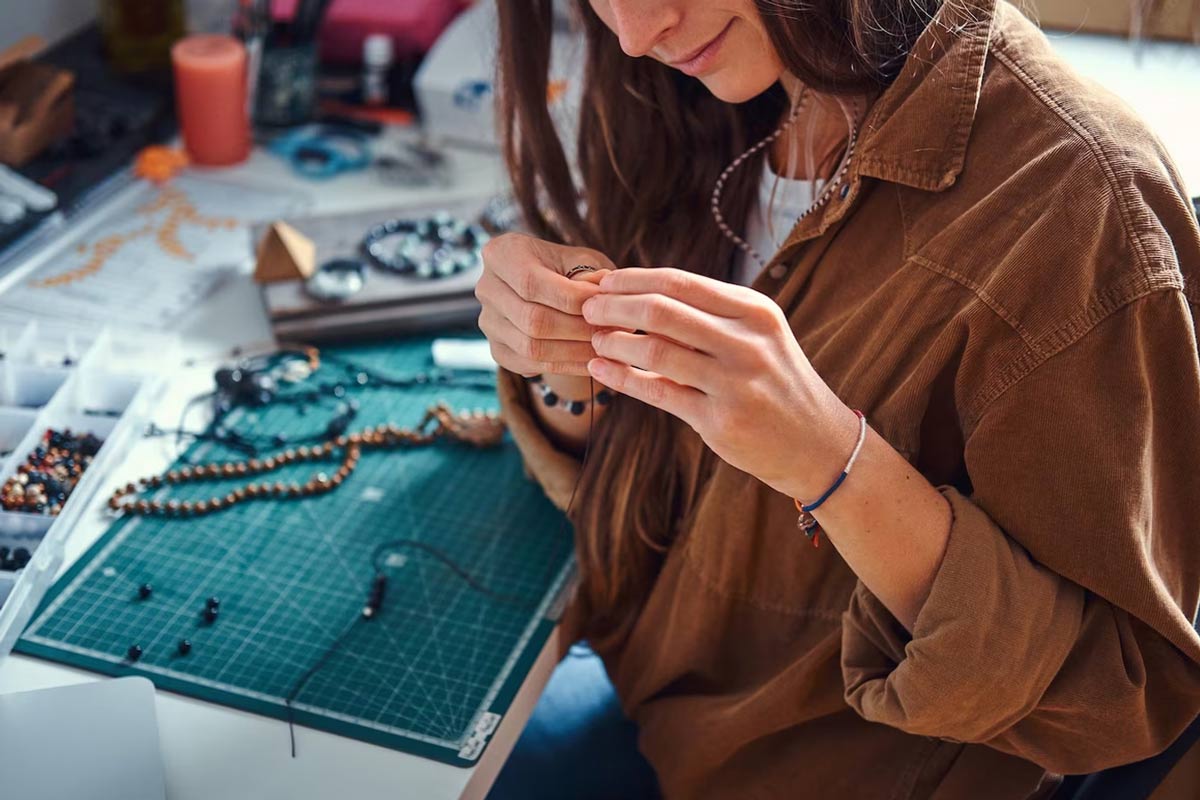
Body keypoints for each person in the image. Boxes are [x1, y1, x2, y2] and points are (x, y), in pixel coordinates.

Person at [477, 0, 1200, 797]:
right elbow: (644, 483)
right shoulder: (718, 102)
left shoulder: (1085, 207)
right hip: (655, 714)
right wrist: (559, 357)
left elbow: (1118, 704)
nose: (635, 35)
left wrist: (833, 461)